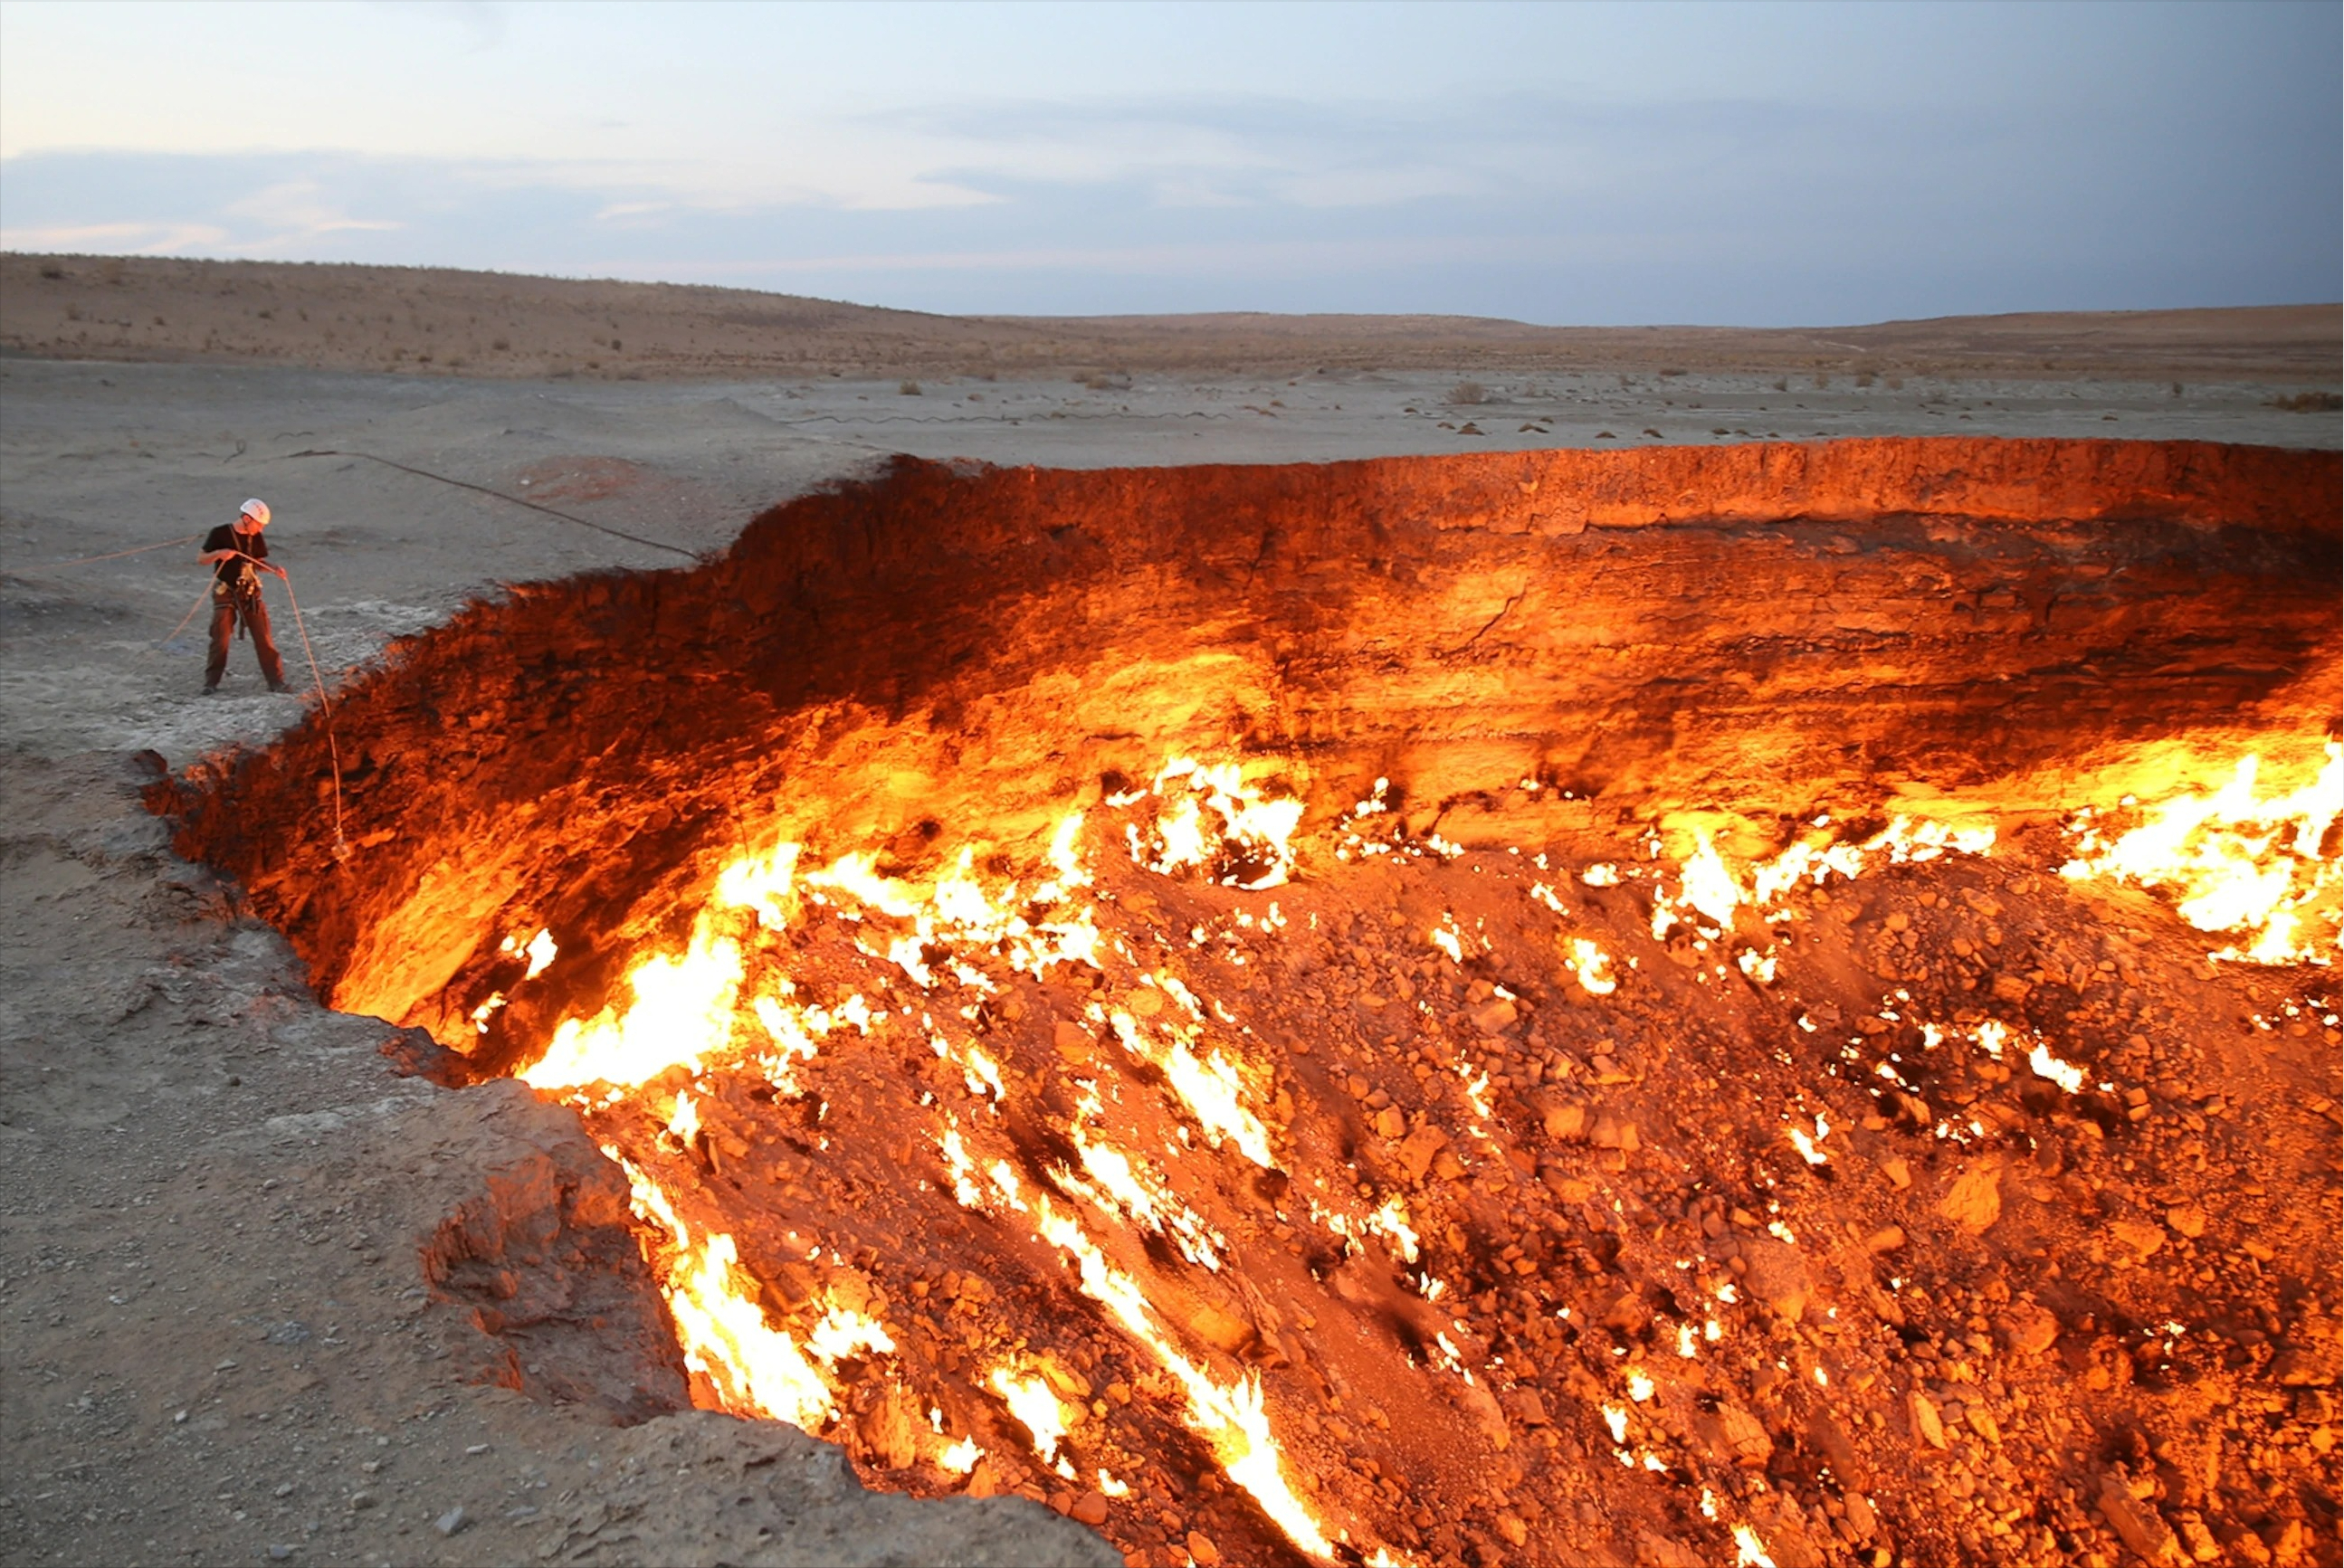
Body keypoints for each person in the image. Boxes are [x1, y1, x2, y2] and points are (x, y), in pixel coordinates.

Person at [199, 498, 291, 694]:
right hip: (225, 593)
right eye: (259, 524)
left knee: (263, 637)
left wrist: (274, 569)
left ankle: (276, 682)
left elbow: (256, 562)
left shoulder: (255, 537)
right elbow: (201, 559)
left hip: (249, 593)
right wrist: (219, 554)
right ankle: (211, 683)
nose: (261, 530)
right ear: (247, 519)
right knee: (220, 637)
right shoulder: (220, 534)